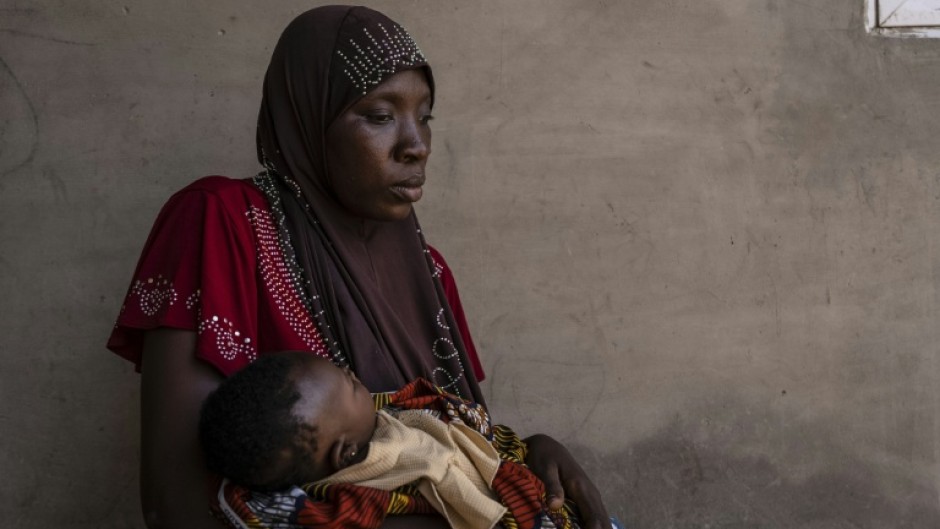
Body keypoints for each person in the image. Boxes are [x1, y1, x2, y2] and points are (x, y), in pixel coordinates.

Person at [107, 5, 611, 529]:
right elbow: (176, 506)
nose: (416, 146)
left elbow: (444, 451)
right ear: (307, 119)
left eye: (425, 116)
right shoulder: (221, 222)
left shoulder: (429, 275)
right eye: (380, 115)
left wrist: (528, 454)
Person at [199, 352, 584, 529]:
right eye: (351, 385)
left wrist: (534, 446)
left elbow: (485, 441)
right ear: (346, 452)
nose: (355, 375)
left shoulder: (396, 416)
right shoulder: (367, 502)